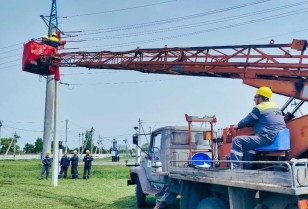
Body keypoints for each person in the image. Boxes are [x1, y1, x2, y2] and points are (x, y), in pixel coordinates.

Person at [230, 86, 286, 169]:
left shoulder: (259, 108)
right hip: (278, 138)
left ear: (260, 98)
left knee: (237, 140)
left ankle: (236, 169)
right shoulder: (276, 107)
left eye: (255, 97)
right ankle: (248, 167)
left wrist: (237, 126)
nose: (254, 99)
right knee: (250, 145)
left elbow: (246, 120)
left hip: (266, 138)